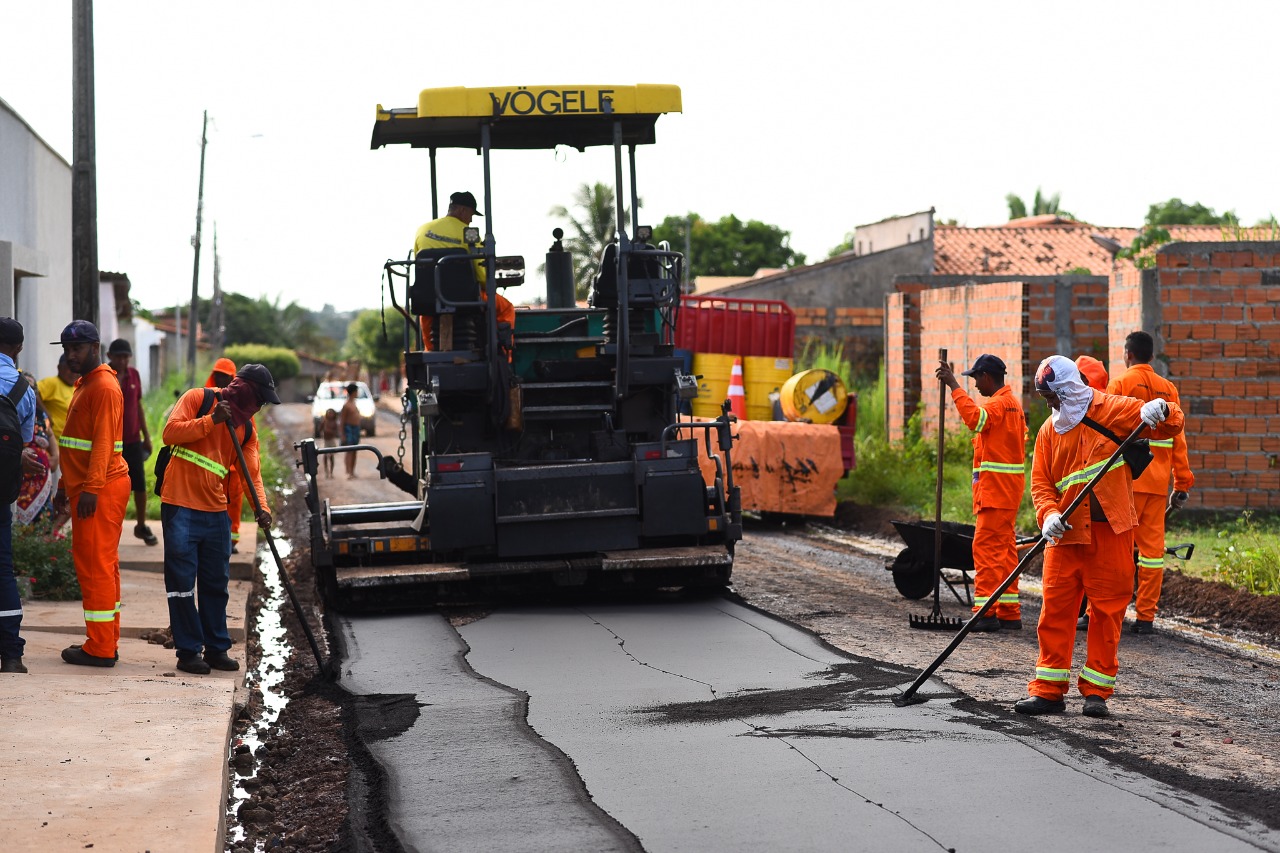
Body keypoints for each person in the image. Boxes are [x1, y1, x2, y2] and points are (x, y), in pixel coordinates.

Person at [1016, 355, 1184, 719]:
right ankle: (1047, 691)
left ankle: (1096, 693)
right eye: (1046, 398)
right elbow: (1041, 483)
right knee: (1055, 614)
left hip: (1111, 532)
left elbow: (1172, 424)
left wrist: (1162, 410)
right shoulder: (1049, 431)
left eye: (1052, 396)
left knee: (1106, 615)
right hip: (1065, 536)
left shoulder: (1111, 409)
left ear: (1067, 388)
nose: (1049, 404)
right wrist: (1048, 515)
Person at [160, 363, 278, 675]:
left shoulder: (246, 428)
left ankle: (216, 648)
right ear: (245, 391)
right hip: (180, 506)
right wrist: (211, 420)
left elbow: (253, 475)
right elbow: (170, 434)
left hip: (216, 513)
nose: (259, 407)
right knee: (182, 585)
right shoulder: (197, 398)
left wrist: (261, 508)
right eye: (258, 400)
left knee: (216, 584)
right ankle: (188, 652)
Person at [51, 320, 132, 668]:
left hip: (99, 488)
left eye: (78, 349)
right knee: (103, 564)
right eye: (67, 349)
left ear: (95, 348)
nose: (71, 355)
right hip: (89, 486)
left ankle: (99, 648)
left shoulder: (103, 387)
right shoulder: (89, 383)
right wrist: (63, 487)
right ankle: (105, 640)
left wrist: (90, 489)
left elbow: (102, 444)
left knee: (94, 565)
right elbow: (75, 444)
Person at [1106, 331, 1195, 635]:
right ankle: (1145, 618)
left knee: (1115, 551)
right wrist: (1181, 483)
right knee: (1153, 555)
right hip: (1157, 487)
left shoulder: (1119, 384)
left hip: (1125, 482)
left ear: (1127, 353)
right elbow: (1178, 439)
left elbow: (1105, 433)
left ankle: (1103, 613)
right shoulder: (1168, 388)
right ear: (1152, 356)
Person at [936, 354, 1026, 632]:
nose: (974, 384)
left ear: (987, 377)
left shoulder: (998, 404)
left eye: (975, 378)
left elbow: (975, 419)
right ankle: (1009, 611)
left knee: (986, 549)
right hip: (1008, 492)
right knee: (1007, 550)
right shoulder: (1014, 405)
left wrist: (953, 385)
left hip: (995, 491)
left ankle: (984, 613)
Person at [413, 190, 515, 350]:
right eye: (472, 214)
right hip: (466, 297)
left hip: (429, 295)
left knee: (426, 312)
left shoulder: (423, 229)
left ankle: (431, 353)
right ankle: (504, 356)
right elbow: (482, 277)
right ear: (462, 210)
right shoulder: (471, 233)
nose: (471, 220)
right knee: (506, 308)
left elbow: (419, 264)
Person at [0, 318, 38, 673]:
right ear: (19, 348)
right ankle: (11, 655)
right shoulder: (24, 390)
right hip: (1, 492)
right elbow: (23, 445)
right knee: (3, 569)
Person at [106, 339, 157, 546]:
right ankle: (110, 527)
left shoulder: (134, 374)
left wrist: (147, 436)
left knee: (140, 485)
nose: (123, 360)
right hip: (111, 441)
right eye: (119, 356)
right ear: (110, 356)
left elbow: (138, 405)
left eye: (126, 356)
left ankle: (141, 525)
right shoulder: (105, 375)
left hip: (133, 440)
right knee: (112, 486)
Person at [206, 358, 248, 553]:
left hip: (234, 470)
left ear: (233, 378)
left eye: (225, 375)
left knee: (234, 507)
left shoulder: (242, 405)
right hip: (211, 469)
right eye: (218, 375)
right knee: (212, 508)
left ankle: (231, 541)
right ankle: (215, 542)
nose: (221, 379)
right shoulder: (205, 399)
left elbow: (249, 439)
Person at [16, 371, 58, 527]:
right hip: (19, 478)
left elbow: (51, 437)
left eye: (33, 390)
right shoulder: (11, 413)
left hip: (41, 480)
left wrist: (55, 457)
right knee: (18, 523)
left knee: (43, 521)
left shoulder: (42, 416)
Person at [36, 353, 78, 443]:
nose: (73, 373)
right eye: (69, 368)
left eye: (75, 369)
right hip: (54, 442)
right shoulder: (52, 382)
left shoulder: (77, 387)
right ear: (59, 368)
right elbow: (33, 392)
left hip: (71, 444)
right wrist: (46, 415)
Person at [340, 382, 362, 479]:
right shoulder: (346, 405)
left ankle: (352, 471)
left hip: (356, 429)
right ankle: (348, 471)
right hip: (349, 429)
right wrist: (343, 434)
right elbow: (342, 421)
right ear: (353, 392)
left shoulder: (354, 403)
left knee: (355, 450)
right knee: (349, 450)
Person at [321, 407, 340, 478]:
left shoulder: (334, 423)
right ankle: (326, 471)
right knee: (325, 456)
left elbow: (336, 432)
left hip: (331, 440)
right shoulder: (324, 421)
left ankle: (331, 472)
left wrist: (330, 431)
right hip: (326, 441)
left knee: (331, 457)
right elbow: (319, 429)